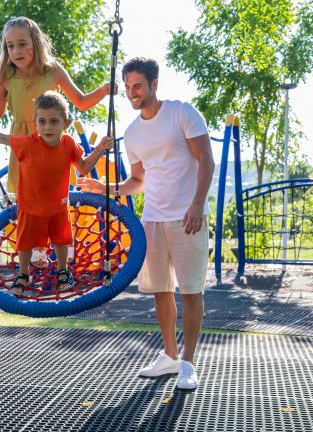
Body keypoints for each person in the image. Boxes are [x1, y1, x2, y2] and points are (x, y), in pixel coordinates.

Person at [78, 57, 214, 390]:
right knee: (160, 291)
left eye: (137, 86)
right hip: (152, 219)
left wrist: (198, 205)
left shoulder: (182, 113)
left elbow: (206, 160)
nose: (131, 93)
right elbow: (138, 181)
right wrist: (104, 188)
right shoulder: (132, 133)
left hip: (188, 217)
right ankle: (169, 356)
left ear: (154, 84)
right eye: (127, 87)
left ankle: (189, 363)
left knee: (191, 291)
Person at [0, 16, 114, 268]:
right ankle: (38, 249)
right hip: (25, 146)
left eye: (22, 44)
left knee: (56, 197)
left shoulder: (53, 71)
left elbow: (81, 101)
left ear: (35, 44)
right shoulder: (8, 75)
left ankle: (62, 244)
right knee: (28, 201)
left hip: (52, 144)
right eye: (10, 46)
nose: (16, 51)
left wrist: (103, 91)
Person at [0, 91, 113, 295]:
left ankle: (62, 271)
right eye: (42, 121)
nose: (48, 127)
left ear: (65, 123)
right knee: (25, 243)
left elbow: (83, 167)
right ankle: (23, 273)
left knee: (61, 240)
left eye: (54, 121)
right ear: (35, 124)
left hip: (58, 206)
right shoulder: (27, 144)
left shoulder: (68, 144)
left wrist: (100, 149)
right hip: (30, 207)